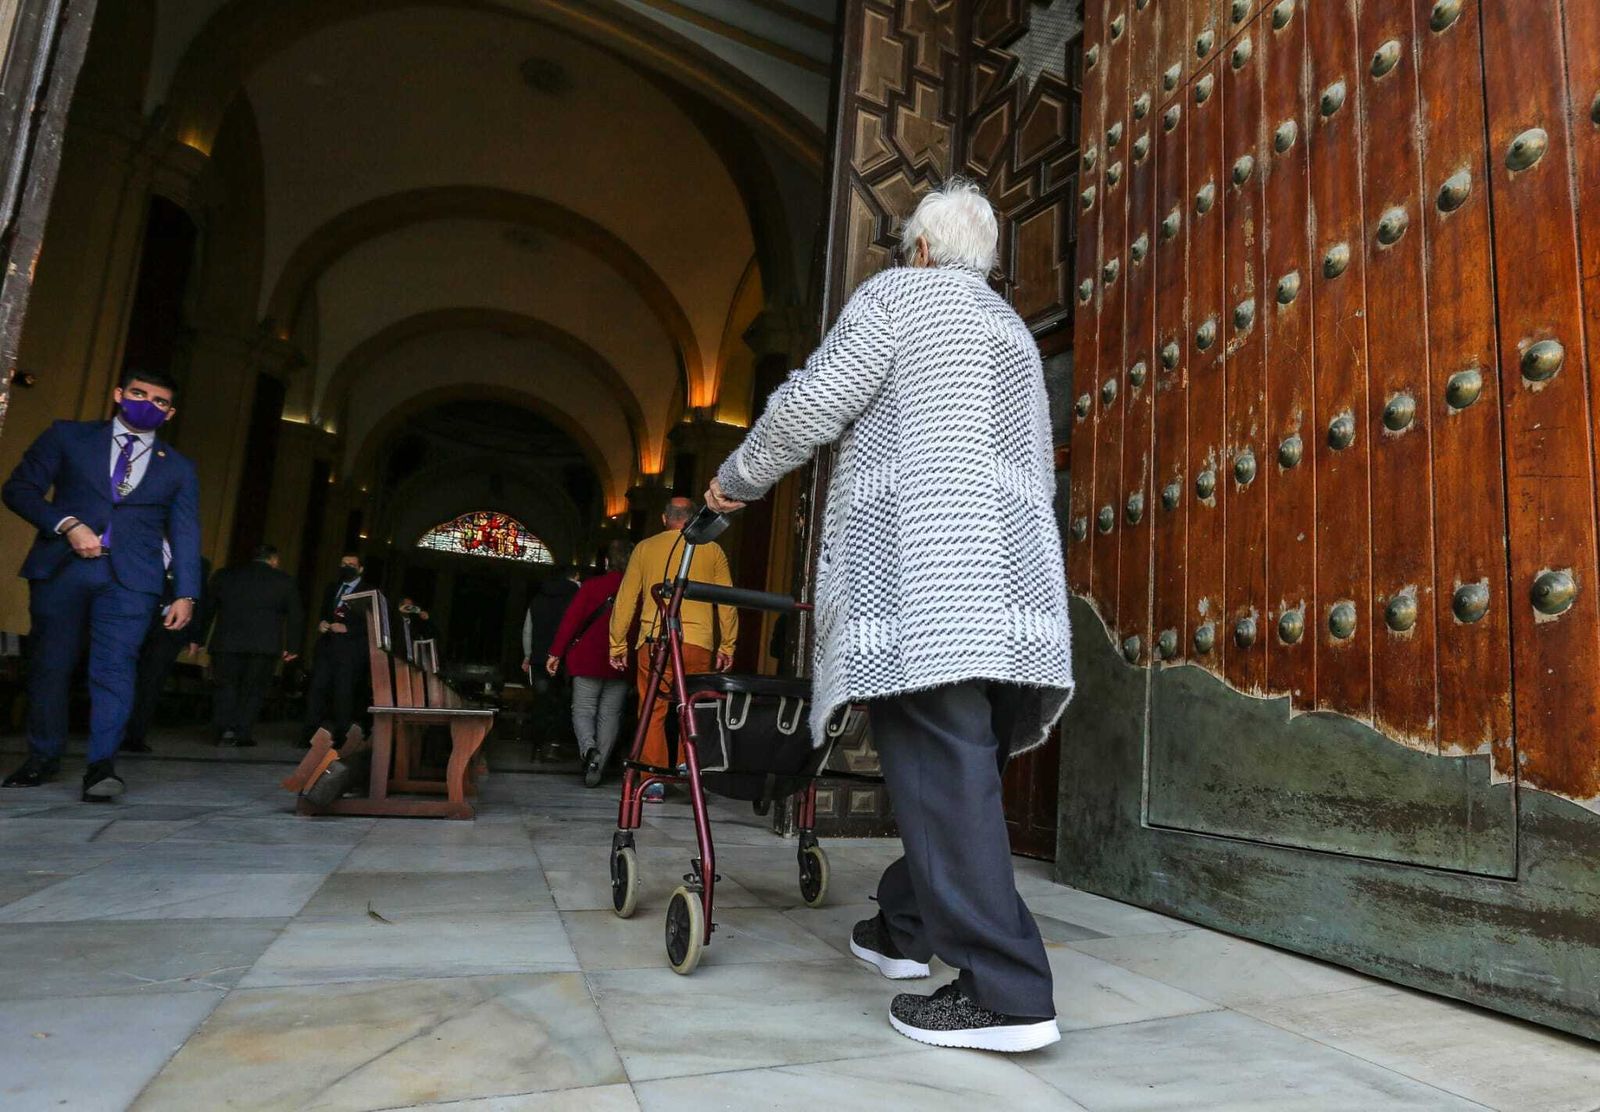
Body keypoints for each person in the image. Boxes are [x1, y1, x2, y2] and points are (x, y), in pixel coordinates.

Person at [705, 180, 1073, 1053]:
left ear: (918, 249)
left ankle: (1007, 991)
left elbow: (808, 405)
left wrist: (735, 481)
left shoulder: (899, 299)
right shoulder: (1013, 333)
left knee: (944, 769)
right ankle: (901, 934)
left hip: (929, 580)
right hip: (1006, 587)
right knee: (954, 769)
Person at [1, 369, 201, 801]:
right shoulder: (67, 437)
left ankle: (101, 765)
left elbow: (185, 532)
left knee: (115, 668)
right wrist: (66, 523)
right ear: (118, 394)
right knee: (50, 665)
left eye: (160, 401)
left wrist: (186, 592)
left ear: (169, 413)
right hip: (63, 569)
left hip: (132, 580)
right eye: (138, 393)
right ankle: (43, 756)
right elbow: (19, 489)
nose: (147, 403)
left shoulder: (180, 468)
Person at [609, 496, 737, 801]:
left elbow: (626, 599)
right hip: (697, 642)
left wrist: (616, 643)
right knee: (691, 705)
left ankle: (651, 781)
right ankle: (686, 765)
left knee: (652, 708)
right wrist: (727, 644)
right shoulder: (713, 549)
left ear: (664, 520)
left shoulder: (644, 548)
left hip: (655, 641)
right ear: (694, 520)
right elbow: (727, 602)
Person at [545, 540, 632, 788]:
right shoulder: (638, 591)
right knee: (610, 716)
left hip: (587, 659)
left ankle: (589, 750)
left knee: (583, 710)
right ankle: (597, 770)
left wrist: (556, 653)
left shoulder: (592, 586)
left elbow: (572, 621)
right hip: (621, 663)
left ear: (606, 563)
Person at [205, 544, 302, 747]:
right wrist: (292, 646)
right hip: (264, 647)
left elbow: (208, 608)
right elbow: (295, 616)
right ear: (274, 560)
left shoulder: (224, 576)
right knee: (254, 690)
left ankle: (220, 730)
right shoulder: (284, 581)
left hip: (226, 643)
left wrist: (197, 638)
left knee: (225, 687)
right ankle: (242, 733)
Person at [121, 552, 212, 753]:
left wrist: (196, 637)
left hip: (169, 631)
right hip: (131, 623)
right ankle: (111, 729)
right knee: (120, 675)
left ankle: (135, 735)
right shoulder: (139, 546)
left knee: (152, 682)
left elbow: (201, 600)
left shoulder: (198, 563)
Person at [301, 552, 369, 746]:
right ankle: (308, 735)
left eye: (351, 564)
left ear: (360, 568)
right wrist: (322, 623)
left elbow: (374, 624)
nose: (347, 566)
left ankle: (341, 738)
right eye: (343, 563)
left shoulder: (368, 591)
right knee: (317, 691)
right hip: (327, 648)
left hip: (350, 652)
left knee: (343, 694)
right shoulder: (332, 588)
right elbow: (324, 613)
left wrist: (349, 628)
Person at [522, 565, 580, 748]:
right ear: (575, 577)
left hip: (539, 659)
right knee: (564, 701)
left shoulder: (538, 598)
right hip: (565, 658)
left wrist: (527, 656)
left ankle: (537, 745)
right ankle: (556, 743)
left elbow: (527, 631)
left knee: (541, 702)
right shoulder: (576, 597)